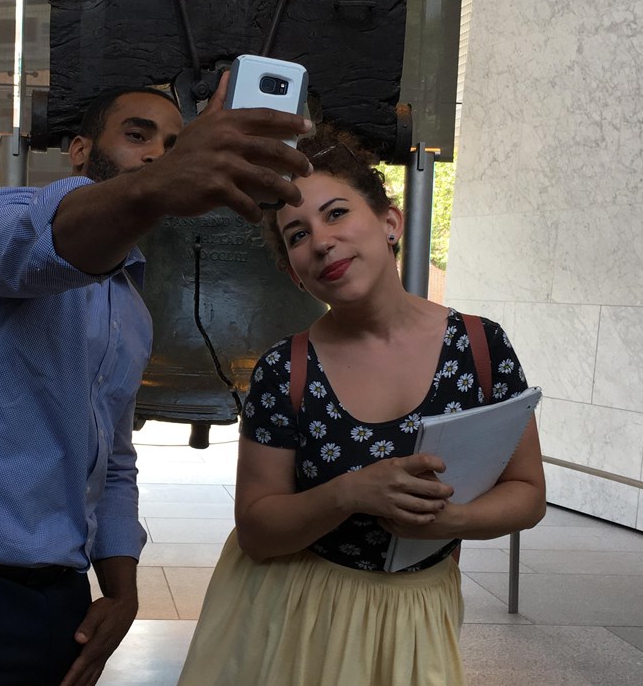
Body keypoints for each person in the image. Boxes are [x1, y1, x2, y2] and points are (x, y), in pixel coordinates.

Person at [0, 76, 313, 686]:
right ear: (79, 150)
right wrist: (158, 186)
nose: (160, 153)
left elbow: (114, 457)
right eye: (138, 135)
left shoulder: (132, 312)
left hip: (59, 587)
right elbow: (38, 249)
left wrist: (121, 592)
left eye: (176, 143)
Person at [175, 125, 547, 685]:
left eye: (337, 213)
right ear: (293, 272)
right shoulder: (287, 371)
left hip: (417, 615)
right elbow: (257, 529)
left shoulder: (479, 348)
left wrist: (453, 521)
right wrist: (352, 492)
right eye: (297, 235)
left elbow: (528, 493)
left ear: (390, 222)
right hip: (294, 611)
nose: (321, 241)